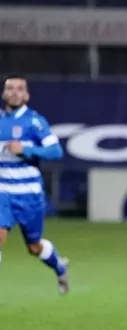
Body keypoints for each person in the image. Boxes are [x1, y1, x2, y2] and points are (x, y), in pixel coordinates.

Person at [0, 75, 69, 294]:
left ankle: (59, 267)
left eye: (20, 89)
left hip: (29, 194)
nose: (14, 92)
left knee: (34, 247)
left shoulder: (34, 121)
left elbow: (55, 151)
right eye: (10, 88)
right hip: (3, 193)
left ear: (27, 95)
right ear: (4, 93)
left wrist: (26, 150)